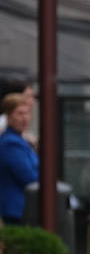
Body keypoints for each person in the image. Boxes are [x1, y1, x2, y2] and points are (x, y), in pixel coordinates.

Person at [0, 92, 38, 226]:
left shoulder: (22, 141)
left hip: (24, 209)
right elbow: (29, 177)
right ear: (9, 117)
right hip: (16, 211)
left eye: (27, 113)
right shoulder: (11, 143)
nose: (25, 118)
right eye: (19, 113)